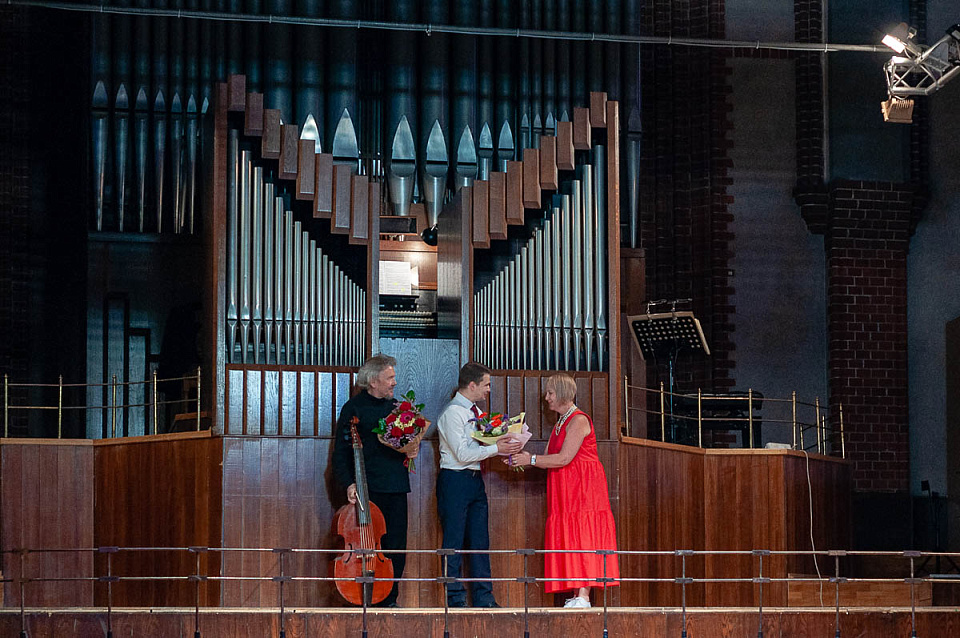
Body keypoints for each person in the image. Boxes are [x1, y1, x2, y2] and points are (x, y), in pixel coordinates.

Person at [506, 372, 619, 608]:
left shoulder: (579, 420)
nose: (547, 397)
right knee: (572, 534)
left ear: (563, 394)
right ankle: (578, 592)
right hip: (566, 487)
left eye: (550, 393)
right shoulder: (560, 423)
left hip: (583, 487)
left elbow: (564, 458)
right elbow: (550, 457)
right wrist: (521, 456)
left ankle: (584, 595)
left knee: (585, 535)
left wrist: (530, 459)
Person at [331, 354, 417, 607]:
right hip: (367, 489)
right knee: (365, 548)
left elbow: (409, 442)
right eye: (389, 378)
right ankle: (363, 599)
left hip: (396, 487)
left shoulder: (398, 408)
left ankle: (390, 600)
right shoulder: (353, 408)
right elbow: (340, 454)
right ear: (373, 381)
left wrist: (412, 449)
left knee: (395, 549)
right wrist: (349, 483)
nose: (394, 383)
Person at [436, 362, 523, 608]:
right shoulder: (453, 413)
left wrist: (502, 444)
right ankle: (454, 599)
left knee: (479, 540)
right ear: (472, 385)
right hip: (455, 479)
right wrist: (496, 449)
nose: (488, 390)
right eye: (486, 384)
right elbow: (462, 454)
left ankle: (484, 597)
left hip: (474, 480)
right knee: (453, 540)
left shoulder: (474, 411)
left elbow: (477, 445)